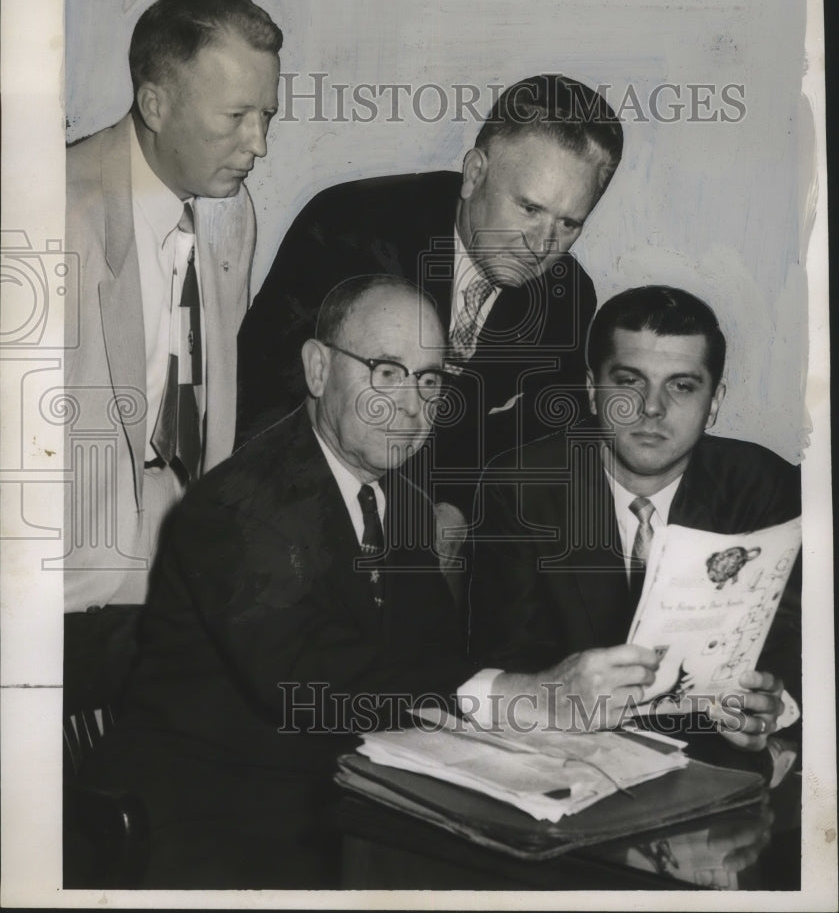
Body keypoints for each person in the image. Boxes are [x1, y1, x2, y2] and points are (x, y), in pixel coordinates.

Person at [82, 275, 629, 888]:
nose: (413, 405)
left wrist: (554, 707)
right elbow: (311, 680)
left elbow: (428, 664)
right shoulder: (241, 504)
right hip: (208, 818)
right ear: (318, 370)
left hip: (347, 799)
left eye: (429, 378)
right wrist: (513, 694)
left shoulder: (402, 500)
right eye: (386, 371)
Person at [235, 75, 623, 537]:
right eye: (529, 209)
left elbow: (527, 442)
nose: (542, 244)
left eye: (569, 223)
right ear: (475, 173)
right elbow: (262, 393)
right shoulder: (349, 226)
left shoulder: (569, 299)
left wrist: (458, 507)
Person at [63, 0, 283, 710]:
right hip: (66, 579)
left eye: (265, 116)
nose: (258, 144)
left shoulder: (230, 211)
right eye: (235, 118)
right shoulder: (49, 213)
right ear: (155, 106)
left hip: (180, 554)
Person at [468, 286, 801, 754]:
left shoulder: (765, 485)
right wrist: (551, 693)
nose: (651, 407)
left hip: (717, 767)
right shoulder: (521, 488)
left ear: (715, 401)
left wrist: (774, 705)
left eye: (682, 386)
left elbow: (797, 648)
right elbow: (501, 663)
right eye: (629, 381)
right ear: (591, 389)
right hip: (566, 761)